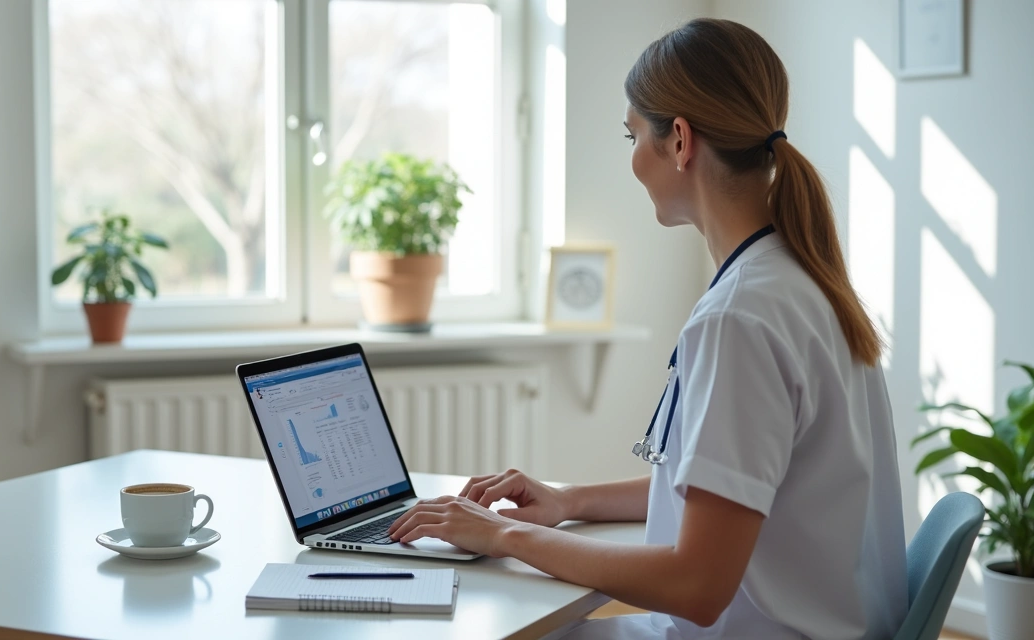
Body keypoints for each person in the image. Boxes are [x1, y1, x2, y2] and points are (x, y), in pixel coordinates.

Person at [387, 18, 907, 639]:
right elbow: (725, 490)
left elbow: (697, 586)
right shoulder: (804, 282)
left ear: (680, 140)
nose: (632, 157)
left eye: (632, 134)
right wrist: (567, 500)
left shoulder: (740, 319)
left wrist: (501, 533)